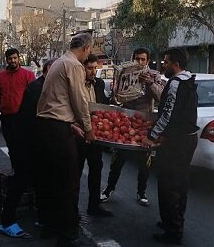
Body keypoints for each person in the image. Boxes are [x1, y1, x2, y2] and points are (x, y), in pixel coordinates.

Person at [34, 32, 95, 247]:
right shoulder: (74, 65)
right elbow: (79, 101)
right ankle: (67, 233)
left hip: (48, 127)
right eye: (91, 50)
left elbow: (57, 101)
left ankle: (50, 225)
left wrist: (70, 125)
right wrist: (87, 127)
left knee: (51, 179)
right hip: (56, 130)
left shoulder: (60, 62)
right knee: (68, 181)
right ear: (86, 48)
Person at [142, 48, 198, 246]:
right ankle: (173, 222)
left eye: (165, 62)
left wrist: (152, 135)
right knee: (180, 184)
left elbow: (167, 114)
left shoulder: (175, 83)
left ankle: (172, 231)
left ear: (175, 64)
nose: (163, 66)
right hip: (188, 139)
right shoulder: (189, 80)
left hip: (176, 141)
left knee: (168, 186)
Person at [0, 58, 55, 238]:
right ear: (47, 70)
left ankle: (43, 217)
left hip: (35, 144)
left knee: (40, 181)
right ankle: (7, 222)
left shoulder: (46, 87)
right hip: (25, 143)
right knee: (21, 180)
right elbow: (36, 120)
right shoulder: (38, 88)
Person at [101, 47, 165, 206]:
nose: (140, 62)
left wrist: (149, 83)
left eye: (143, 59)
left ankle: (141, 192)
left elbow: (161, 97)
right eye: (137, 59)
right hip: (126, 120)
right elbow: (115, 96)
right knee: (118, 158)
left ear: (148, 61)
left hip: (144, 122)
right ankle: (109, 189)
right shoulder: (124, 72)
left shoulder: (155, 76)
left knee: (145, 161)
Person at [0, 48, 36, 238]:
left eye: (16, 58)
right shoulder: (1, 78)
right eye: (10, 58)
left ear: (19, 59)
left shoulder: (28, 75)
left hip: (24, 120)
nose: (13, 61)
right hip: (8, 120)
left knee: (24, 160)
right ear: (6, 60)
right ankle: (19, 172)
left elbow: (34, 98)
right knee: (18, 156)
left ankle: (21, 174)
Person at [77, 54, 113, 217]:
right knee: (75, 173)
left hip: (96, 136)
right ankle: (72, 209)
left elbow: (104, 104)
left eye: (95, 68)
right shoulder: (75, 84)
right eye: (89, 68)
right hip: (78, 135)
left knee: (96, 170)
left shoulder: (98, 83)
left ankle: (94, 205)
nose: (93, 71)